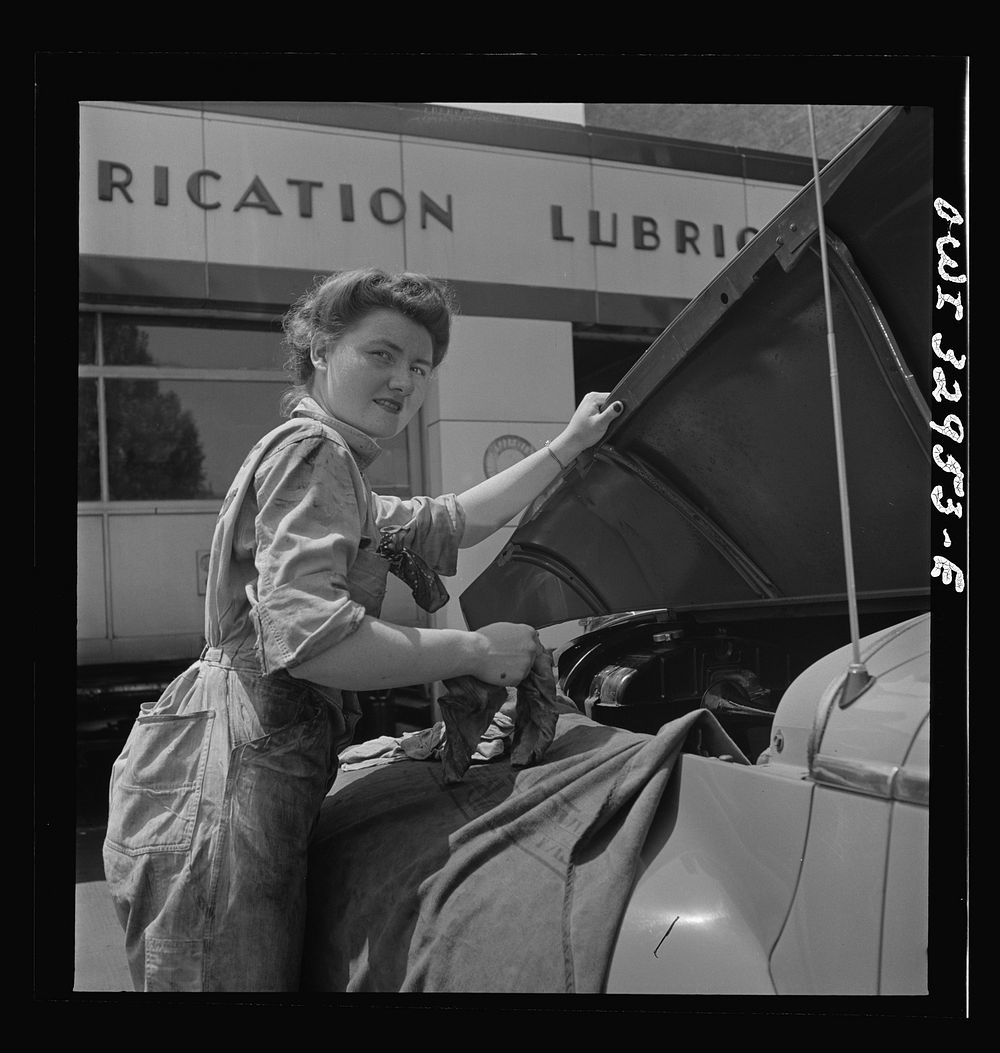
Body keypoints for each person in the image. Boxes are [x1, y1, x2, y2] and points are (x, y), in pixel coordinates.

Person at [102, 267, 623, 992]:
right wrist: (475, 648)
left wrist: (568, 445)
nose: (404, 382)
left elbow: (454, 520)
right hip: (221, 793)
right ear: (318, 348)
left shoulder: (339, 474)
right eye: (381, 354)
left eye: (420, 366)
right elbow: (315, 642)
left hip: (225, 775)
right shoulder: (313, 456)